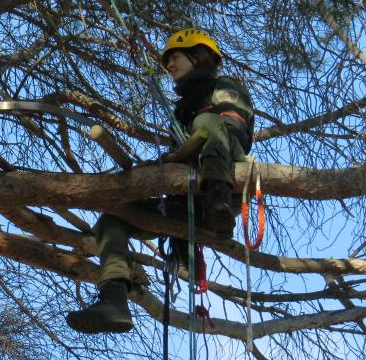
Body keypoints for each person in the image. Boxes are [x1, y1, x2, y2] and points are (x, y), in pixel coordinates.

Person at [65, 29, 255, 334]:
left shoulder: (224, 87)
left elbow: (233, 129)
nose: (169, 66)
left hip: (224, 182)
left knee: (208, 123)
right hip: (187, 199)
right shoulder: (181, 112)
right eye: (167, 61)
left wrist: (192, 155)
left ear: (197, 55)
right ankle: (113, 299)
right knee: (112, 219)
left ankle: (217, 201)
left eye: (175, 57)